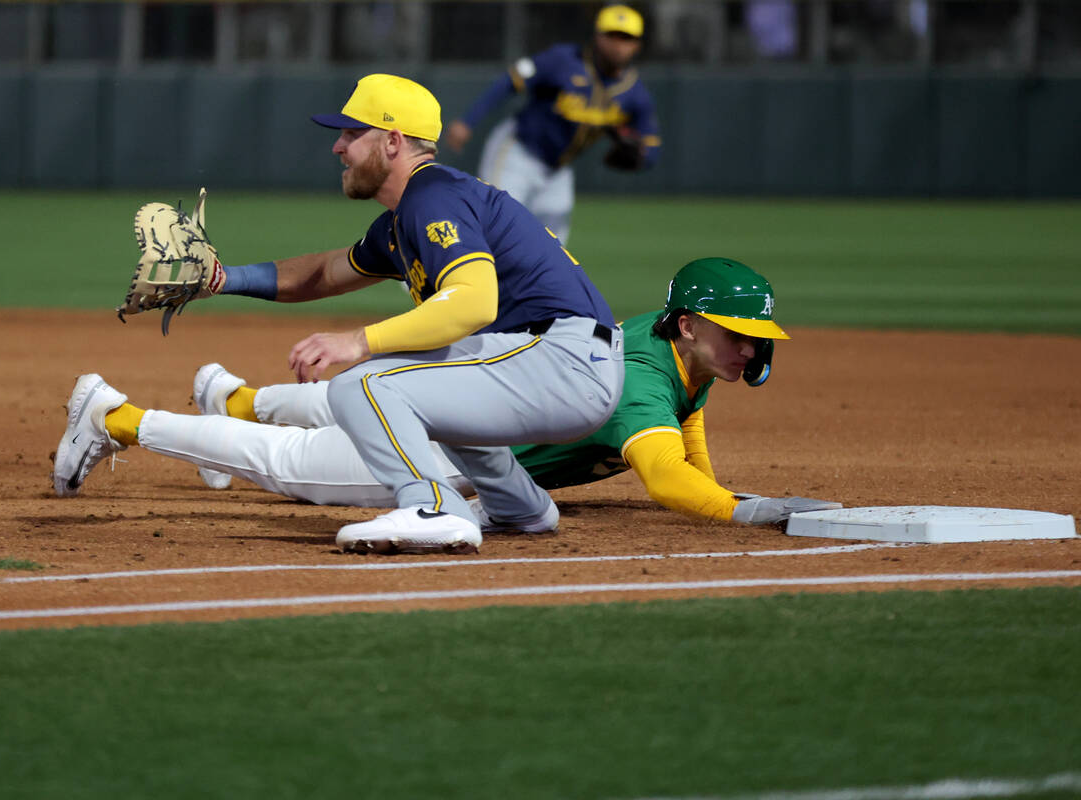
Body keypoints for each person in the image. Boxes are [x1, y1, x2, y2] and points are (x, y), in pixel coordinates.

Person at [53, 73, 624, 556]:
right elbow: (324, 273)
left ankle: (428, 508)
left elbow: (475, 301)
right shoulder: (408, 216)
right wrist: (223, 281)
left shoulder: (434, 197)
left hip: (561, 360)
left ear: (393, 141)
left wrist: (359, 342)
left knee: (363, 384)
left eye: (352, 133)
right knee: (430, 376)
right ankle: (519, 508)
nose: (338, 146)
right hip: (561, 360)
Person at [61, 257, 840, 528]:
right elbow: (668, 478)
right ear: (688, 326)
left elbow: (688, 424)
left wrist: (724, 487)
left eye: (756, 337)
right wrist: (748, 509)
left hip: (463, 405)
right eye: (736, 331)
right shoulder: (639, 379)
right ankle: (116, 415)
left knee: (347, 400)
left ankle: (228, 395)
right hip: (449, 448)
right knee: (292, 464)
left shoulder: (670, 350)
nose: (749, 347)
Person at [443, 4, 661, 245]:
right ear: (597, 36)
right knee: (493, 226)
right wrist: (468, 121)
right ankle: (433, 262)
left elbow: (652, 144)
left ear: (637, 45)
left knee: (552, 248)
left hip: (558, 171)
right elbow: (511, 81)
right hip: (517, 152)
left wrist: (641, 155)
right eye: (611, 35)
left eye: (626, 38)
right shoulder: (563, 59)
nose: (618, 44)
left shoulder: (634, 93)